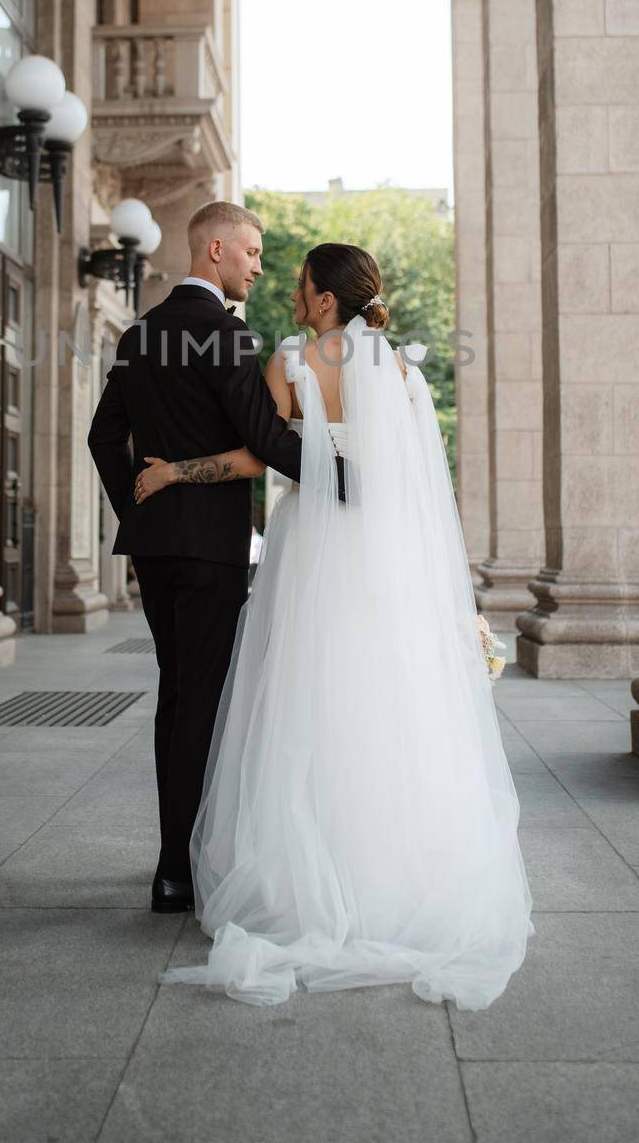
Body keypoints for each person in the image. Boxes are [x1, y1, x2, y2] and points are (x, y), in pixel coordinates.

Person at [131, 242, 533, 1008]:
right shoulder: (404, 370)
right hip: (386, 556)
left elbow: (257, 459)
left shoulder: (292, 359)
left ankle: (302, 869)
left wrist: (177, 470)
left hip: (315, 541)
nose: (290, 290)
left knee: (304, 695)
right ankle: (396, 867)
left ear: (323, 300)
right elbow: (421, 490)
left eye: (300, 283)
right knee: (388, 698)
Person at [87, 201, 303, 915]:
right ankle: (180, 868)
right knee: (201, 700)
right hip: (210, 551)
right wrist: (355, 475)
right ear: (215, 250)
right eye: (251, 253)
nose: (258, 266)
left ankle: (174, 860)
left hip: (153, 549)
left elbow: (101, 436)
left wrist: (142, 512)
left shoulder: (140, 333)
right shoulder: (226, 337)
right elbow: (269, 440)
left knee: (177, 694)